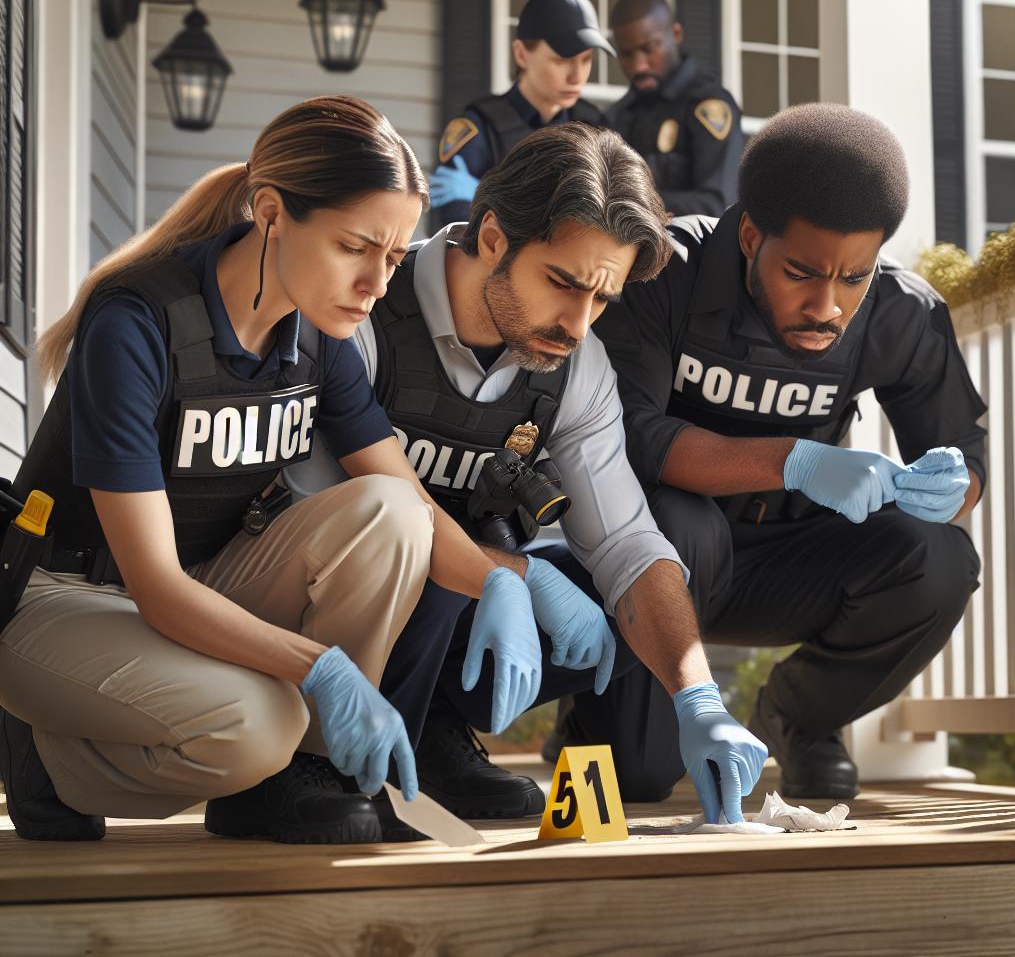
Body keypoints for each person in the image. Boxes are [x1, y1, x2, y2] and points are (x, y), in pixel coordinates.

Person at [0, 96, 604, 846]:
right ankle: (49, 756)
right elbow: (153, 585)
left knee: (388, 509)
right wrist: (322, 669)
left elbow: (408, 504)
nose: (378, 283)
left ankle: (307, 781)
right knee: (257, 725)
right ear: (272, 213)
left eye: (392, 257)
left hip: (199, 585)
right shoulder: (137, 326)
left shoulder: (320, 341)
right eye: (356, 247)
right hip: (67, 598)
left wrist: (511, 581)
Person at [288, 122, 768, 826]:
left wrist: (698, 698)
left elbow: (626, 541)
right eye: (563, 283)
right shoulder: (362, 317)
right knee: (413, 540)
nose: (578, 323)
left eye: (601, 300)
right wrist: (514, 576)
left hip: (448, 607)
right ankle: (311, 761)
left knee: (638, 584)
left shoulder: (577, 366)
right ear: (492, 238)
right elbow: (319, 515)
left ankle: (434, 732)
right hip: (318, 609)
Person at [562, 102, 984, 800]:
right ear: (751, 234)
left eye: (855, 276)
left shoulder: (903, 312)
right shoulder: (662, 273)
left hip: (792, 562)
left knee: (940, 558)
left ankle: (799, 719)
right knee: (636, 775)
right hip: (661, 560)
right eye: (803, 272)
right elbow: (626, 437)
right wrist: (792, 458)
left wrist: (954, 484)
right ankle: (597, 719)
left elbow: (967, 454)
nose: (829, 304)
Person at [428, 0, 611, 226]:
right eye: (562, 60)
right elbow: (453, 232)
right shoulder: (478, 129)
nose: (577, 76)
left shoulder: (595, 128)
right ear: (521, 54)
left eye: (586, 60)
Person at [608, 0, 743, 219]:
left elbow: (718, 204)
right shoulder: (619, 115)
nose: (639, 65)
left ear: (676, 33)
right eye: (626, 54)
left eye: (649, 49)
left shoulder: (708, 106)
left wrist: (630, 202)